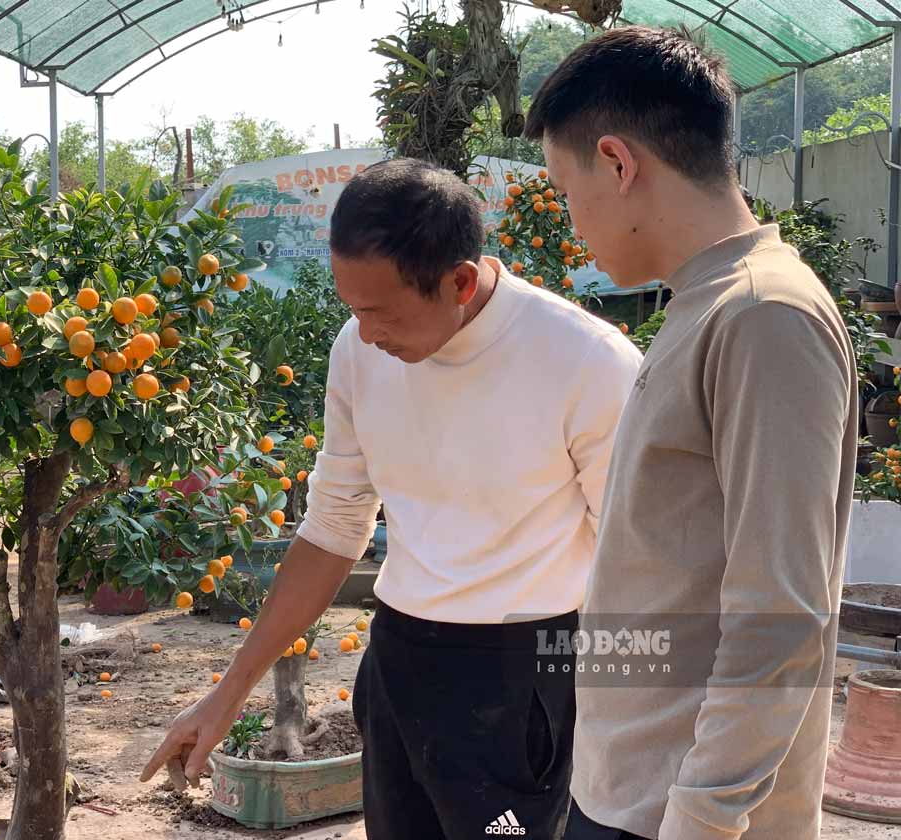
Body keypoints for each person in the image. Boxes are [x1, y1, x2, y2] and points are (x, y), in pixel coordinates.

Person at [141, 157, 642, 839]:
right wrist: (227, 695)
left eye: (381, 312)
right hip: (400, 663)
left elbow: (635, 563)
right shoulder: (359, 349)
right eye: (354, 310)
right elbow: (332, 529)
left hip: (519, 684)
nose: (368, 333)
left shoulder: (588, 363)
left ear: (459, 281)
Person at [524, 26, 857, 840]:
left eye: (567, 191)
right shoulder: (706, 303)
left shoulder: (763, 316)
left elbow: (782, 617)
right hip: (634, 789)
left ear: (616, 162)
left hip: (682, 813)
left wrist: (702, 819)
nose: (573, 224)